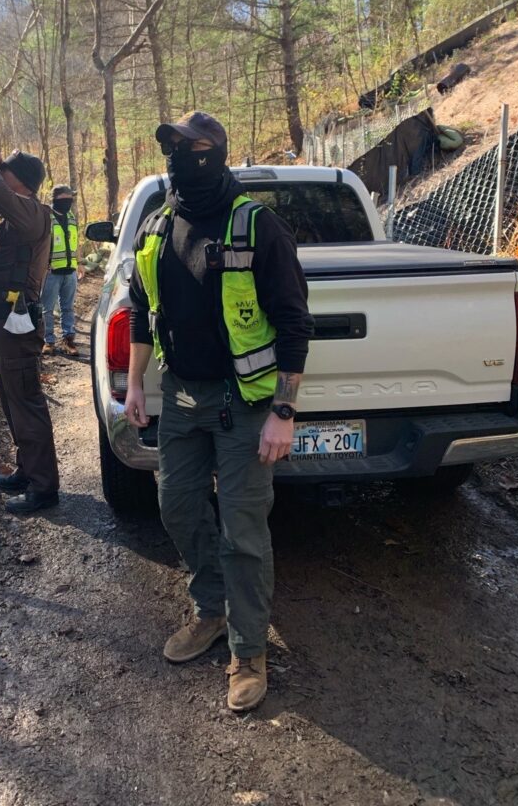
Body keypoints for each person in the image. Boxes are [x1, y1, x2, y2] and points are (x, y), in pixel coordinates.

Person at [124, 112, 312, 712]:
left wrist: (284, 409)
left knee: (243, 530)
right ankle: (211, 607)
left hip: (246, 403)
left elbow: (293, 322)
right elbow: (137, 309)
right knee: (175, 506)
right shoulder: (156, 227)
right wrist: (133, 386)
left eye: (190, 146)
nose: (178, 155)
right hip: (179, 396)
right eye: (170, 146)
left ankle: (248, 648)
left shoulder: (257, 226)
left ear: (217, 151)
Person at [0, 147, 60, 515]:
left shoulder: (32, 214)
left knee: (26, 402)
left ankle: (44, 488)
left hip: (17, 325)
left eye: (5, 171)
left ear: (19, 182)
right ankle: (27, 471)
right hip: (1, 322)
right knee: (12, 401)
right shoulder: (10, 216)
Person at [41, 184, 79, 356]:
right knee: (47, 309)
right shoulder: (46, 218)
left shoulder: (71, 218)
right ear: (55, 199)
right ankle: (48, 341)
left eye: (71, 199)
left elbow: (74, 243)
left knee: (68, 308)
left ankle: (68, 340)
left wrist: (80, 263)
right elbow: (40, 245)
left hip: (70, 271)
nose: (69, 202)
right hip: (51, 273)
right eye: (65, 199)